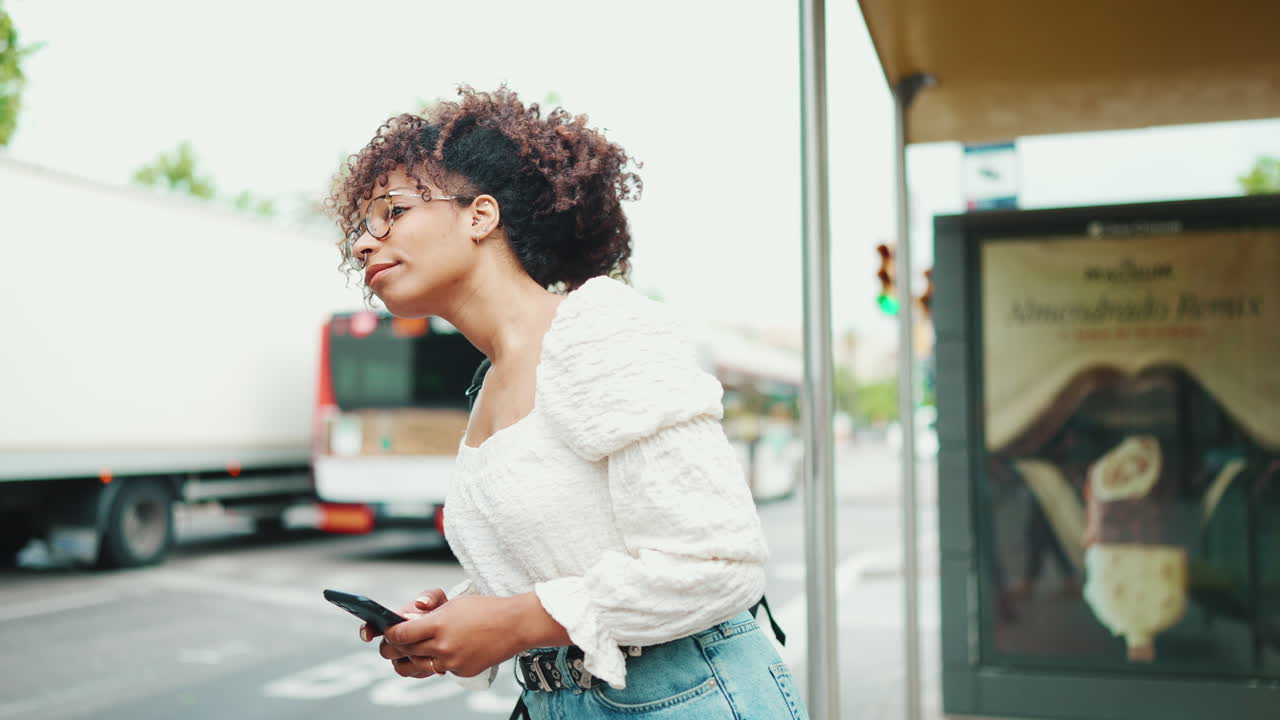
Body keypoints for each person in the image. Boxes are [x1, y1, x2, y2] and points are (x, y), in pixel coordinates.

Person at [326, 86, 809, 720]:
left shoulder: (597, 329)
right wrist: (462, 617)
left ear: (480, 216)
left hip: (681, 697)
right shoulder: (488, 382)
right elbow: (572, 555)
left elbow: (718, 563)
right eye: (362, 226)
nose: (365, 243)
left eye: (391, 210)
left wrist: (511, 622)